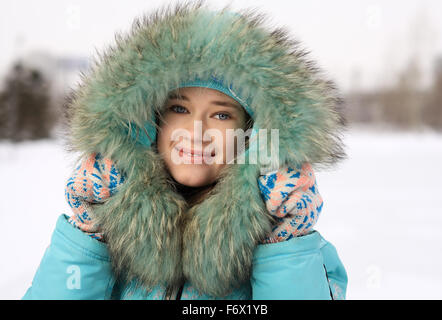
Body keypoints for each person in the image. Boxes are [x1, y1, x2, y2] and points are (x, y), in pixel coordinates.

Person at [23, 1, 348, 300]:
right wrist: (88, 231)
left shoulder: (295, 246)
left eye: (222, 115)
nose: (196, 133)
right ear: (150, 122)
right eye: (179, 109)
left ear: (251, 135)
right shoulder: (108, 230)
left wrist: (284, 242)